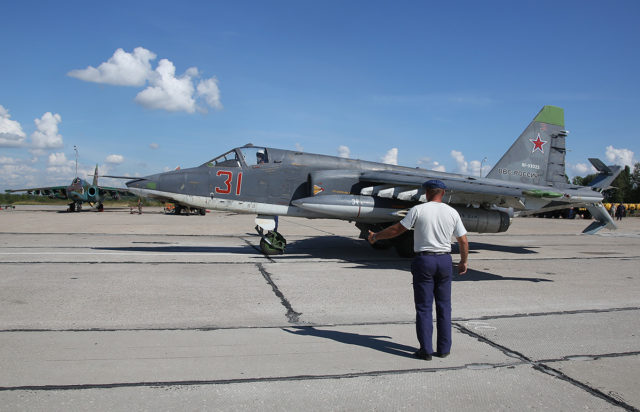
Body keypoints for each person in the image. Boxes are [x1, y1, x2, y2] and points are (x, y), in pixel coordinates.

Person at [368, 179, 468, 361]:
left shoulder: (418, 210)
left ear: (426, 192)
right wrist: (463, 261)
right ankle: (444, 349)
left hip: (425, 261)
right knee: (444, 307)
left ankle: (426, 350)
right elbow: (463, 240)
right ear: (443, 193)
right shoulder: (452, 212)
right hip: (445, 261)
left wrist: (376, 236)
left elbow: (397, 229)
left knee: (424, 308)